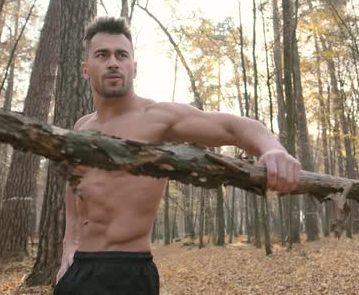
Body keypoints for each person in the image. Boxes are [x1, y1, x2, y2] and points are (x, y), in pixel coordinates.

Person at [53, 16, 301, 295]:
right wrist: (69, 245)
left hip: (129, 272)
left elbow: (236, 127)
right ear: (86, 69)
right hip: (79, 270)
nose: (113, 62)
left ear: (133, 68)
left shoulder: (158, 119)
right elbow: (74, 188)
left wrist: (273, 149)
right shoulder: (82, 128)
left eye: (121, 55)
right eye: (102, 54)